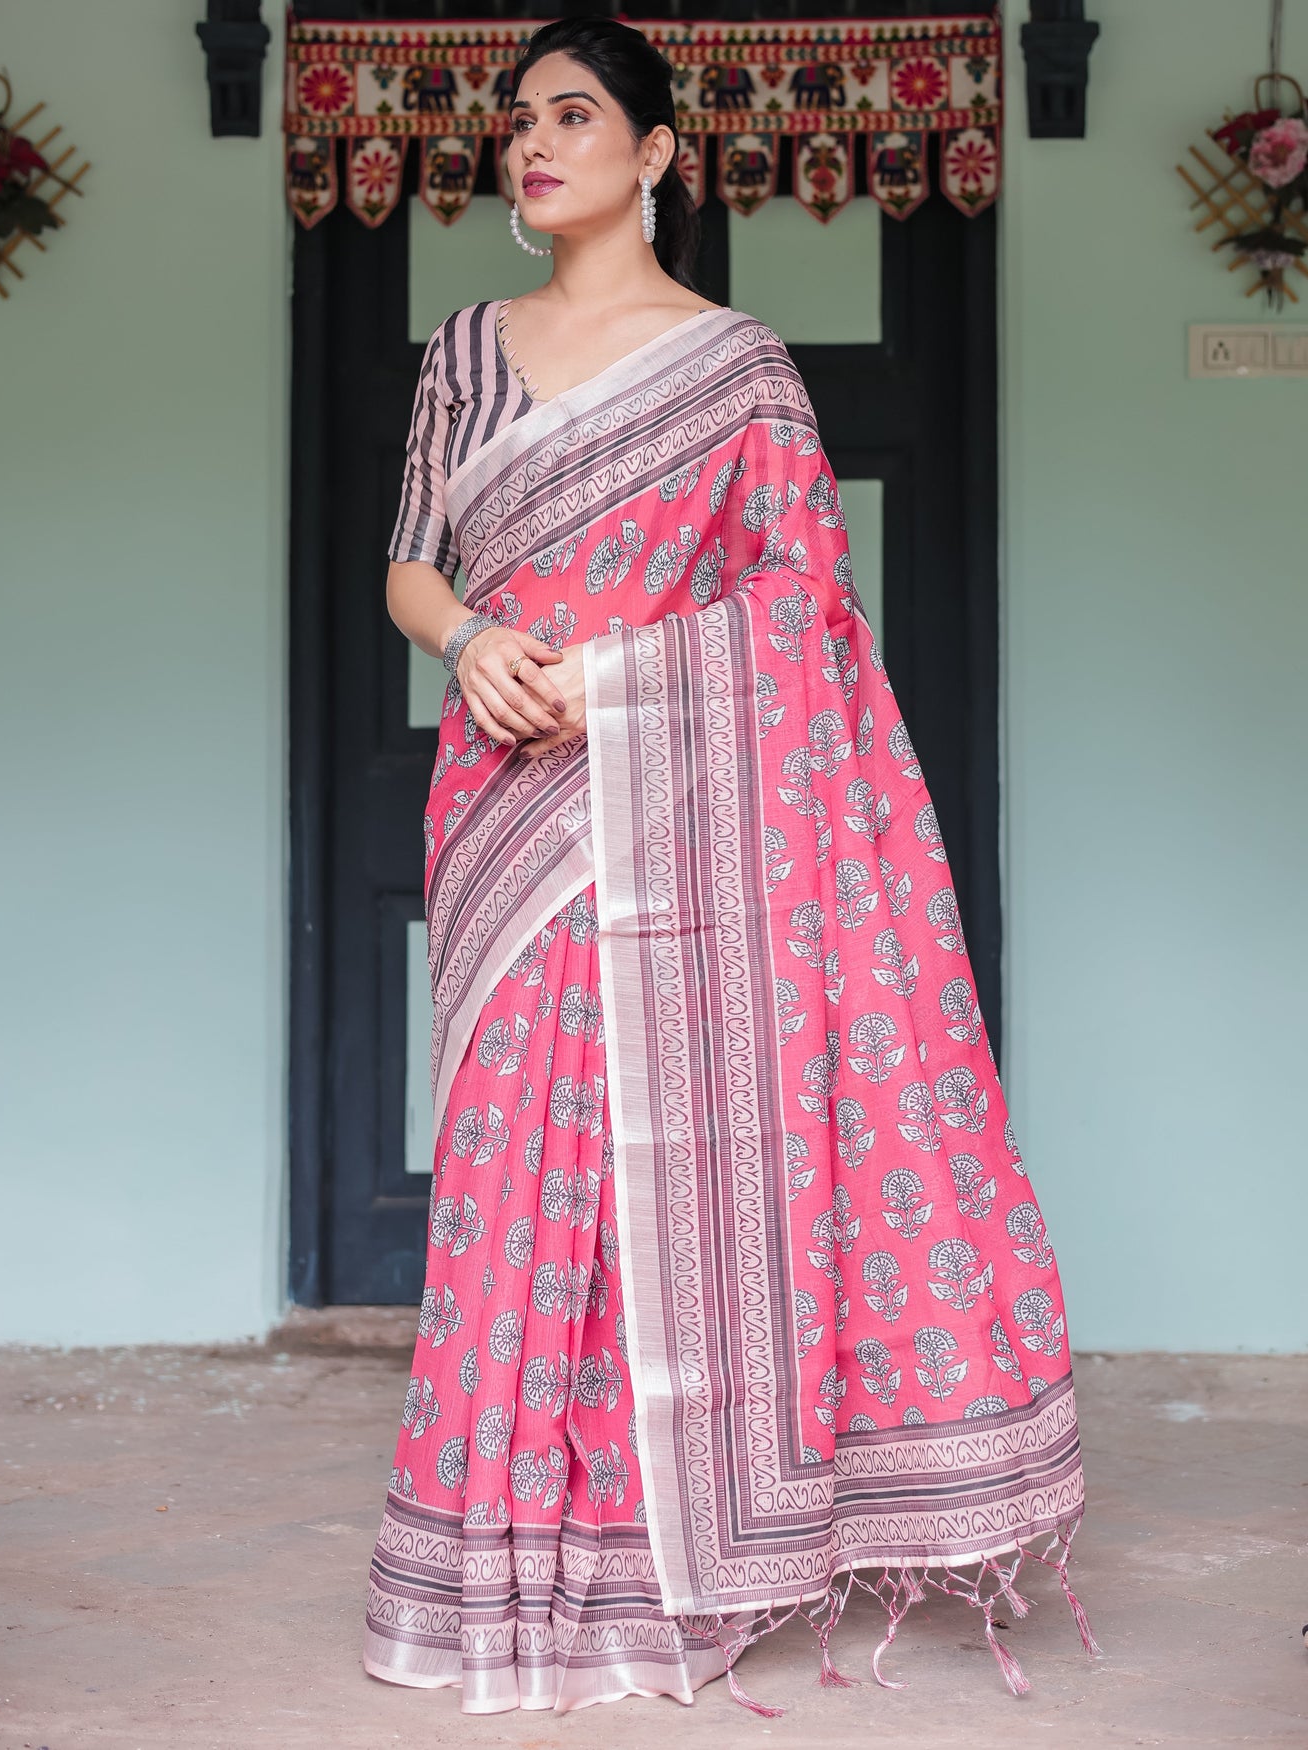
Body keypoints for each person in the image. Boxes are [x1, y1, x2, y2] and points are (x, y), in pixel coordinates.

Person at [363, 14, 1095, 1717]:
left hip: (667, 813)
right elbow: (409, 564)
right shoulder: (468, 346)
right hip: (506, 814)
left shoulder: (738, 369)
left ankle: (659, 1556)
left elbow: (800, 612)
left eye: (573, 114)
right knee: (511, 1168)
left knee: (650, 1171)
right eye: (518, 119)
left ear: (658, 152)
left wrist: (608, 681)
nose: (533, 144)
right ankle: (498, 1560)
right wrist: (471, 637)